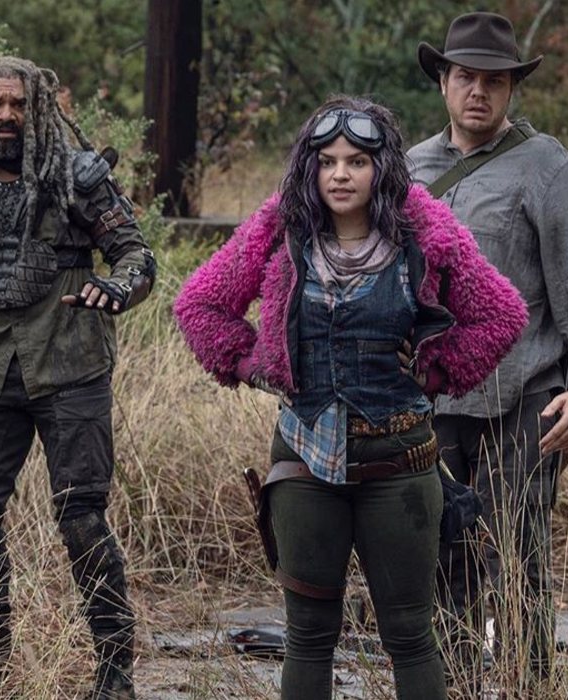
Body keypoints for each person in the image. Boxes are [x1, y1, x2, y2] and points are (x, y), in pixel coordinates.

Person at [173, 96, 527, 700]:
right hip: (304, 460)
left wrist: (438, 368)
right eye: (327, 161)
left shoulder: (425, 231)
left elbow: (502, 314)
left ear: (380, 168)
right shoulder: (281, 227)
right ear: (308, 168)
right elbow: (199, 304)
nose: (340, 175)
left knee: (410, 633)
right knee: (309, 635)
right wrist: (254, 365)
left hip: (401, 463)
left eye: (357, 161)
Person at [0, 56, 155, 698]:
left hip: (72, 365)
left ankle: (115, 673)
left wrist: (114, 288)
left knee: (82, 517)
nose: (6, 115)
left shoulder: (77, 178)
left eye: (16, 103)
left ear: (37, 108)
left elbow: (136, 255)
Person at [407, 12, 568, 693]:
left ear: (511, 89)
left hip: (526, 392)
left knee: (517, 555)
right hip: (434, 397)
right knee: (444, 554)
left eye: (494, 81)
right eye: (466, 77)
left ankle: (530, 684)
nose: (479, 92)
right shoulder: (406, 170)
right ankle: (456, 686)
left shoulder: (546, 166)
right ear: (443, 82)